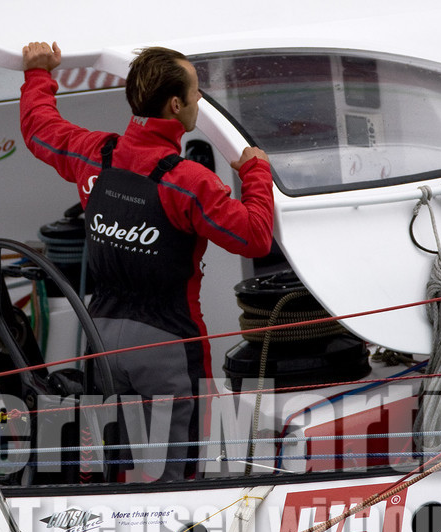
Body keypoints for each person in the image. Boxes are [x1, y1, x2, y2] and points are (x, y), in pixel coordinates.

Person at [20, 41, 274, 480]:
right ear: (175, 104)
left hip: (100, 340)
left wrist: (38, 73)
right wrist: (256, 172)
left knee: (114, 469)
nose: (199, 98)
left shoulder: (94, 154)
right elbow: (254, 236)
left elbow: (39, 130)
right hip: (168, 345)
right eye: (195, 91)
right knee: (178, 474)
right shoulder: (189, 181)